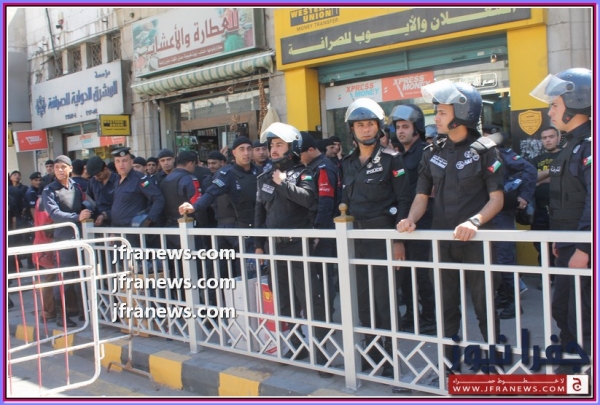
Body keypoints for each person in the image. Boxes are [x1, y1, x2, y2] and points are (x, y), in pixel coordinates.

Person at [397, 80, 504, 373]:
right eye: (437, 112)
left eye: (442, 112)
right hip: (443, 242)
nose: (436, 118)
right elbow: (421, 196)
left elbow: (497, 199)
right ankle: (448, 367)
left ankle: (493, 368)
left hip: (477, 243)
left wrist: (474, 222)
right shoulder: (432, 152)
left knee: (484, 307)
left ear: (462, 113)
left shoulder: (486, 151)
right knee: (445, 308)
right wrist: (411, 219)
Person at [341, 98, 411, 377]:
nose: (365, 129)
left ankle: (391, 359)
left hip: (383, 237)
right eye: (360, 125)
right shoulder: (346, 163)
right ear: (352, 130)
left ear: (379, 127)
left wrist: (398, 240)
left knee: (385, 301)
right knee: (363, 300)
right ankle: (372, 355)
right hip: (355, 238)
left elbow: (404, 200)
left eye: (370, 124)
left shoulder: (393, 159)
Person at [254, 123, 330, 377]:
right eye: (271, 145)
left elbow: (309, 199)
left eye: (279, 144)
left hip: (299, 247)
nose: (273, 149)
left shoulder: (303, 173)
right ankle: (297, 346)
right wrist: (258, 245)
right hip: (275, 248)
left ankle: (321, 352)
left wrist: (283, 183)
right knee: (284, 300)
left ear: (292, 147)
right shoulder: (263, 178)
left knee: (311, 300)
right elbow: (259, 214)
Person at [530, 68, 591, 361]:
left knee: (582, 317)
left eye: (554, 105)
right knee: (564, 311)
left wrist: (584, 247)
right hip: (568, 245)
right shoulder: (572, 144)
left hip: (583, 249)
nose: (550, 112)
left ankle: (585, 374)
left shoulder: (589, 145)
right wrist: (560, 239)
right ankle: (571, 369)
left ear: (575, 103)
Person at [180, 137, 259, 279]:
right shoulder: (228, 174)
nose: (246, 153)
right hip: (238, 229)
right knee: (233, 274)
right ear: (234, 153)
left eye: (249, 149)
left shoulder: (259, 172)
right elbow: (211, 192)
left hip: (257, 229)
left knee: (253, 275)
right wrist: (195, 207)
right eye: (241, 149)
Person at [481, 125, 537, 319]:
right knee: (494, 257)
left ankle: (515, 302)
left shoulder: (503, 154)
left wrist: (525, 196)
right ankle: (504, 295)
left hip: (502, 211)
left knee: (504, 257)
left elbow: (530, 170)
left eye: (488, 137)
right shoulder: (482, 156)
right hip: (487, 212)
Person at [389, 104, 436, 335]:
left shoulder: (427, 152)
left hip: (425, 221)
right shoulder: (400, 155)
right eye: (398, 127)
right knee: (406, 272)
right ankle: (411, 313)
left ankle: (430, 317)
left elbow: (432, 188)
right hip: (405, 221)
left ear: (416, 128)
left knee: (423, 273)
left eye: (405, 127)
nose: (401, 131)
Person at [42, 155, 93, 327]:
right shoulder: (49, 190)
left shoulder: (76, 187)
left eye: (63, 167)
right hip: (63, 239)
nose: (60, 170)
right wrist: (77, 217)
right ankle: (61, 316)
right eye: (57, 167)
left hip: (80, 237)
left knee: (82, 276)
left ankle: (83, 311)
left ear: (70, 168)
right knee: (64, 278)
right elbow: (54, 214)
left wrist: (96, 213)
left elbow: (88, 203)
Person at [299, 132, 341, 315]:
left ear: (310, 150)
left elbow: (325, 202)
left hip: (322, 229)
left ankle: (326, 314)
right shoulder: (313, 166)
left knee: (323, 275)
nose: (299, 158)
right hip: (315, 227)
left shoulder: (323, 167)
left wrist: (318, 231)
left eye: (300, 154)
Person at [110, 147, 165, 240]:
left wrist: (149, 220)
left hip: (134, 232)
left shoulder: (140, 179)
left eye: (124, 160)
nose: (121, 164)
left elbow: (158, 199)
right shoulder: (117, 180)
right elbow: (117, 206)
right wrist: (113, 230)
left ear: (131, 162)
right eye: (118, 161)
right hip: (118, 231)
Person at [529, 127, 561, 269]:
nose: (548, 140)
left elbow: (564, 179)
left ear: (558, 138)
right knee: (541, 247)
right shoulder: (536, 159)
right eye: (544, 138)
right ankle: (547, 277)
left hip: (561, 210)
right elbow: (531, 179)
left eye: (551, 137)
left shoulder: (565, 155)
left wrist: (541, 179)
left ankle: (560, 277)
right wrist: (551, 171)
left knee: (561, 246)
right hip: (540, 210)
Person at [86, 156, 120, 226]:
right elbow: (89, 199)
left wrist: (105, 215)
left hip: (115, 222)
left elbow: (121, 205)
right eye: (94, 176)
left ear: (105, 169)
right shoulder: (93, 182)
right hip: (97, 221)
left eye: (98, 175)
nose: (96, 178)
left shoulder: (118, 181)